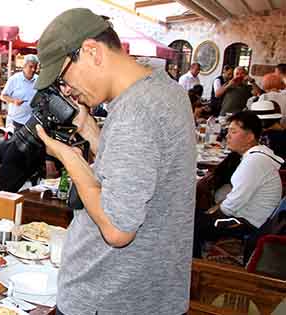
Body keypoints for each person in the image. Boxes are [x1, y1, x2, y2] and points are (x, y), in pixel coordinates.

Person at [32, 9, 196, 315]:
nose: (66, 90)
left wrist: (71, 160)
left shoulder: (135, 112)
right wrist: (92, 133)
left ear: (92, 51)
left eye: (63, 76)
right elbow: (136, 175)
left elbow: (118, 229)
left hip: (111, 298)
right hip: (147, 294)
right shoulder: (166, 89)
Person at [194, 111, 283, 257]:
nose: (228, 136)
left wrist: (209, 214)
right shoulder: (256, 156)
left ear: (250, 137)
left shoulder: (254, 161)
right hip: (253, 218)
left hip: (248, 224)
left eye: (234, 132)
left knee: (190, 222)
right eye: (228, 131)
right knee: (197, 215)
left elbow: (231, 206)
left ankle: (196, 267)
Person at [0, 54, 38, 131]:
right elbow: (3, 96)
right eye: (30, 67)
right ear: (24, 66)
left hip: (32, 122)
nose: (33, 69)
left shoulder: (38, 80)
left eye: (35, 67)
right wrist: (14, 101)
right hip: (16, 121)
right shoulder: (14, 79)